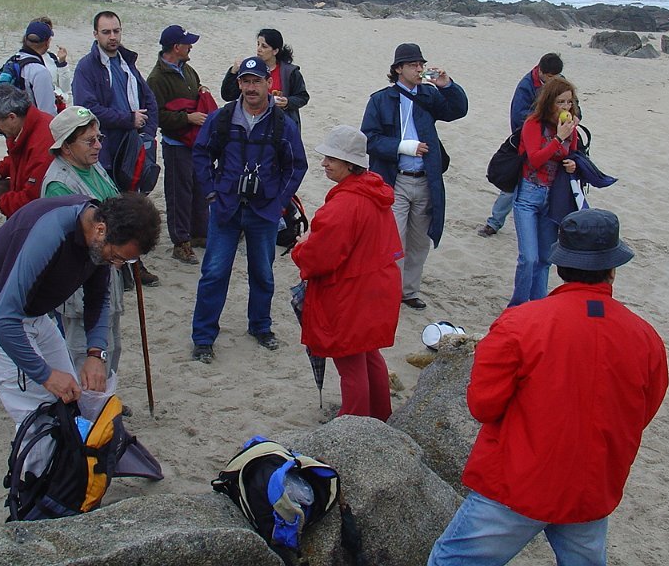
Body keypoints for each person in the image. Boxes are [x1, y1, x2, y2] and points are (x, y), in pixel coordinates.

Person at [427, 208, 668, 566]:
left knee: (453, 560)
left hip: (518, 482)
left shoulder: (521, 324)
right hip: (592, 484)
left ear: (559, 266)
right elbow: (641, 412)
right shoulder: (645, 337)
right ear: (612, 269)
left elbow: (483, 405)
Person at [0, 194, 160, 433]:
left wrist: (96, 353)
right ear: (101, 229)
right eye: (117, 257)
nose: (116, 265)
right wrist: (46, 375)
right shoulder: (50, 233)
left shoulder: (100, 238)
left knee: (71, 400)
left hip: (34, 315)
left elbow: (98, 297)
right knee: (41, 418)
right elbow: (1, 319)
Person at [190, 58, 307, 363]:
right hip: (225, 208)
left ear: (269, 84)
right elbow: (201, 153)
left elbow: (296, 165)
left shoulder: (282, 123)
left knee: (262, 273)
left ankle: (260, 327)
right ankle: (203, 337)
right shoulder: (222, 118)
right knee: (214, 273)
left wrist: (279, 202)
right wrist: (212, 192)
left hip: (264, 212)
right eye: (246, 81)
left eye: (257, 81)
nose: (251, 87)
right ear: (239, 84)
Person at [290, 125, 402, 420]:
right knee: (369, 354)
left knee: (350, 363)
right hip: (377, 286)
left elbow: (320, 258)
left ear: (350, 164)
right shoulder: (373, 191)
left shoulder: (344, 204)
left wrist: (300, 248)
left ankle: (354, 422)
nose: (324, 163)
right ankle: (379, 415)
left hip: (351, 292)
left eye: (331, 158)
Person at [361, 43, 468, 310]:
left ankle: (408, 291)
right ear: (398, 69)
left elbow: (457, 111)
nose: (419, 69)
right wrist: (403, 146)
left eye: (421, 64)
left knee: (420, 240)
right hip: (395, 179)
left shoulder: (429, 94)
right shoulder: (380, 99)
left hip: (425, 179)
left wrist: (447, 85)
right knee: (393, 240)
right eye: (412, 65)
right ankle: (388, 290)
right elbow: (369, 139)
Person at [72, 10, 160, 287]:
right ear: (95, 34)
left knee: (132, 207)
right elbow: (87, 109)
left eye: (116, 31)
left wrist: (147, 134)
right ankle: (112, 270)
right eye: (106, 32)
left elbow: (149, 100)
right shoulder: (86, 68)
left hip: (132, 149)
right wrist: (127, 119)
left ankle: (132, 266)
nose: (112, 37)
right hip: (105, 152)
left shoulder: (126, 63)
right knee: (108, 212)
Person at [40, 106, 126, 382]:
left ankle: (106, 397)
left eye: (99, 138)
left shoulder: (93, 165)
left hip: (108, 270)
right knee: (85, 356)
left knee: (112, 346)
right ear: (66, 147)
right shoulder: (59, 185)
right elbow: (74, 242)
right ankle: (90, 402)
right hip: (80, 286)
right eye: (90, 141)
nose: (98, 145)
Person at [509, 76, 579, 307]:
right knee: (528, 258)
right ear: (549, 102)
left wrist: (573, 164)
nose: (566, 107)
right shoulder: (534, 124)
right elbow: (535, 159)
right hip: (529, 194)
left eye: (569, 102)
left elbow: (574, 155)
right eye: (560, 102)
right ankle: (518, 306)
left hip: (554, 196)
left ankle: (538, 305)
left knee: (544, 259)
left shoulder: (570, 128)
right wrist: (559, 138)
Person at [146, 24, 213, 265]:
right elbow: (157, 115)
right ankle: (180, 242)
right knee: (179, 193)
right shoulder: (156, 78)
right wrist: (187, 118)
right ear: (176, 47)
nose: (190, 47)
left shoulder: (188, 70)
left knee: (199, 187)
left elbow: (194, 94)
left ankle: (199, 232)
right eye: (187, 43)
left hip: (194, 141)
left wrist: (202, 91)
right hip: (175, 144)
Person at [478, 52, 564, 237]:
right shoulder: (526, 86)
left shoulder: (560, 83)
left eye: (556, 77)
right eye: (550, 77)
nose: (553, 81)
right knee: (512, 185)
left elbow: (575, 107)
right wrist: (546, 120)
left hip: (557, 143)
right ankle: (494, 222)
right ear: (541, 71)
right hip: (528, 143)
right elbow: (518, 117)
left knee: (559, 185)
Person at [0, 84, 55, 217]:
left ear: (12, 117)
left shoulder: (43, 145)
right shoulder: (26, 127)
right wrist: (2, 170)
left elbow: (33, 199)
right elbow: (19, 155)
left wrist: (2, 203)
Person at [220, 28, 309, 126]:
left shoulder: (290, 72)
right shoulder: (250, 69)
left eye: (264, 46)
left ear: (275, 51)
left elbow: (303, 97)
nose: (259, 49)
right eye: (258, 44)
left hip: (280, 123)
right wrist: (232, 72)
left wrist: (287, 102)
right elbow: (227, 96)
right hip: (252, 122)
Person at [14, 19, 59, 116]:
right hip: (29, 122)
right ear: (47, 42)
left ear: (25, 39)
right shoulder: (40, 71)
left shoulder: (15, 59)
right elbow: (47, 112)